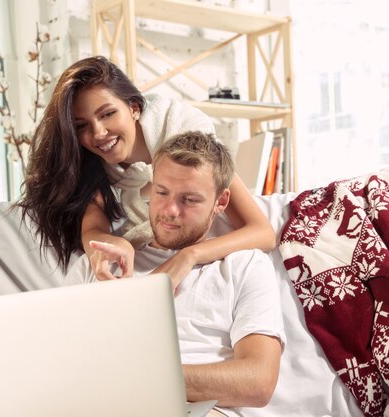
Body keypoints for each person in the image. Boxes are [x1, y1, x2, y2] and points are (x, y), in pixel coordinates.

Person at [64, 131, 284, 416]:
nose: (169, 210)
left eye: (189, 200)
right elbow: (59, 363)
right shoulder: (100, 264)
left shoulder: (245, 267)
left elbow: (257, 383)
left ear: (221, 201)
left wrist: (138, 379)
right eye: (162, 192)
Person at [17, 55, 276, 285]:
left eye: (107, 114)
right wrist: (112, 244)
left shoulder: (185, 133)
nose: (98, 133)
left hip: (213, 251)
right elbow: (93, 229)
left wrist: (189, 256)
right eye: (81, 125)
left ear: (134, 107)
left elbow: (262, 232)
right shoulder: (89, 161)